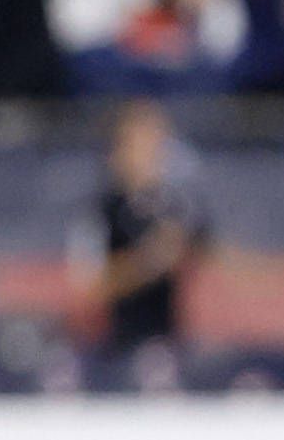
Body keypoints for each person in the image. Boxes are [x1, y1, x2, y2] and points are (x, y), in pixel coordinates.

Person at [83, 100, 201, 374]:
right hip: (114, 355)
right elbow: (89, 287)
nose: (154, 152)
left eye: (158, 142)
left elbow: (212, 259)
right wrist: (148, 261)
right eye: (143, 142)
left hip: (171, 350)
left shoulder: (176, 206)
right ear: (118, 150)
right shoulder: (102, 210)